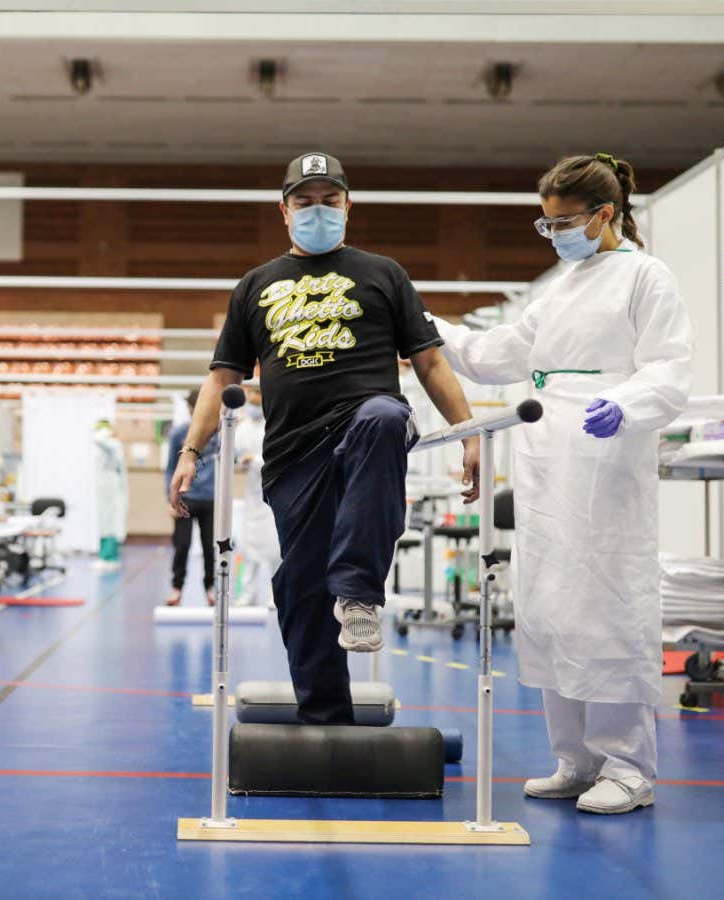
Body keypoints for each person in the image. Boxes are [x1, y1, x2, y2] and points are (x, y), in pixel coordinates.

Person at [169, 152, 479, 725]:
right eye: (305, 202)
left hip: (367, 429)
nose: (318, 211)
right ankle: (326, 716)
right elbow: (222, 379)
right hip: (292, 457)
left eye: (329, 201)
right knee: (302, 582)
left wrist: (468, 433)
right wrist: (191, 451)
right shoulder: (255, 286)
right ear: (284, 211)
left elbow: (430, 363)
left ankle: (360, 595)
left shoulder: (385, 274)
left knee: (385, 416)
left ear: (348, 206)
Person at [439, 153, 693, 815]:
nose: (554, 234)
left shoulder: (645, 276)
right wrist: (430, 327)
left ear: (606, 214)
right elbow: (501, 355)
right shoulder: (560, 283)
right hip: (546, 453)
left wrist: (628, 405)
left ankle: (628, 767)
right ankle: (575, 759)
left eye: (564, 222)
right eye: (545, 224)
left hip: (607, 454)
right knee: (552, 602)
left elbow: (669, 371)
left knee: (608, 602)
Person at [164, 390, 219, 606]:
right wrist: (169, 499)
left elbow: (231, 458)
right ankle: (176, 587)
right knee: (182, 545)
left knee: (209, 547)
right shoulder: (179, 434)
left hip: (210, 499)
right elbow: (170, 467)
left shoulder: (219, 432)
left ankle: (210, 588)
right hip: (185, 498)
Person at [233, 385, 278, 607]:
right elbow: (235, 454)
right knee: (247, 547)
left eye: (256, 403)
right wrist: (242, 461)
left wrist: (256, 460)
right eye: (250, 403)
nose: (253, 407)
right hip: (252, 496)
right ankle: (248, 593)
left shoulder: (274, 426)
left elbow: (279, 457)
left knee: (275, 549)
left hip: (273, 497)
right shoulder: (243, 427)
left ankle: (275, 594)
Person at [93, 419, 127, 571]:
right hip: (104, 487)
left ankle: (110, 557)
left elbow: (98, 440)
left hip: (110, 488)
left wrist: (105, 431)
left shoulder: (113, 444)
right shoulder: (108, 446)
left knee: (110, 524)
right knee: (103, 523)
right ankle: (104, 556)